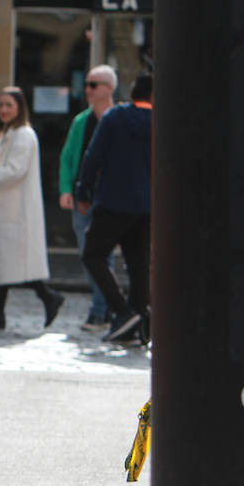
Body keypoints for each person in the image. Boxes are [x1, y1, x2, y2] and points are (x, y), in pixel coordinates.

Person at [0, 86, 65, 331]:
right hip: (4, 209)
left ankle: (48, 297)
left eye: (9, 105)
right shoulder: (7, 135)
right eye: (1, 105)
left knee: (14, 263)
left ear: (20, 108)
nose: (4, 109)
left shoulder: (24, 136)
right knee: (3, 262)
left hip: (17, 211)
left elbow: (13, 172)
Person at [77, 72, 153, 344]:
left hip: (113, 201)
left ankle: (122, 312)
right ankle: (140, 323)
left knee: (93, 255)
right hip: (146, 206)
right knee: (138, 265)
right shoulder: (161, 121)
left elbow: (93, 155)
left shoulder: (115, 117)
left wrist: (83, 190)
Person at [59, 65, 118, 330]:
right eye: (87, 84)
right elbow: (68, 158)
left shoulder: (119, 118)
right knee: (89, 254)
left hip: (110, 199)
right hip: (83, 199)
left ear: (109, 88)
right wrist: (66, 189)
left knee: (104, 257)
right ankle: (106, 309)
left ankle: (102, 310)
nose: (88, 90)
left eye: (94, 84)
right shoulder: (81, 121)